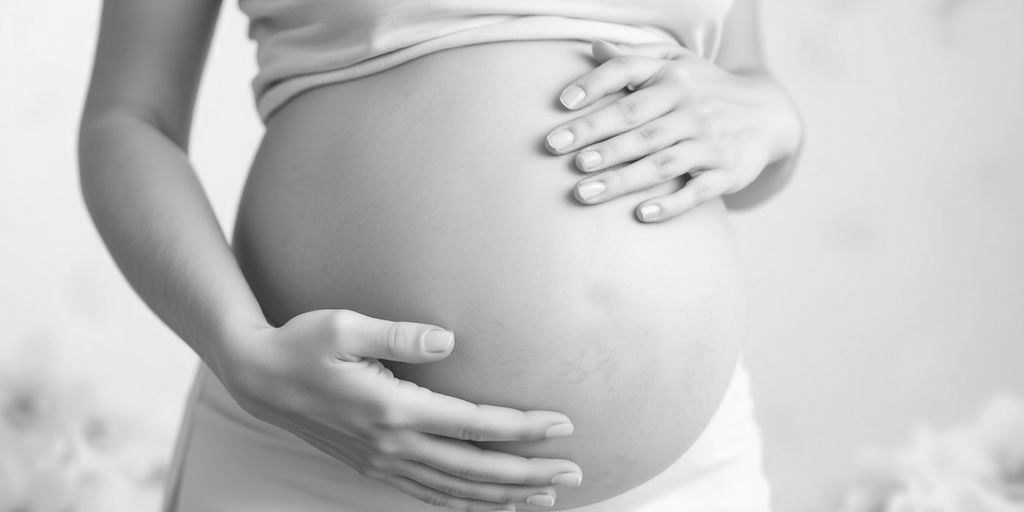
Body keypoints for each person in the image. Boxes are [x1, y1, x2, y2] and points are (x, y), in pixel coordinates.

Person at [78, 0, 802, 510]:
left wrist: (775, 121)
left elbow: (745, 99)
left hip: (675, 482)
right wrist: (239, 349)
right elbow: (129, 116)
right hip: (312, 452)